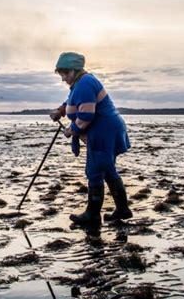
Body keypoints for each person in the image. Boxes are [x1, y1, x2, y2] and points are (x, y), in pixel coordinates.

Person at [49, 52, 133, 226]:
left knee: (94, 171)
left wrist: (70, 130)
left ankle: (92, 215)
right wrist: (60, 110)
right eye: (61, 74)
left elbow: (86, 116)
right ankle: (123, 210)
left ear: (73, 70)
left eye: (64, 74)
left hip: (104, 131)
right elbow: (71, 101)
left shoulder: (85, 83)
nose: (63, 78)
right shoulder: (81, 82)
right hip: (108, 129)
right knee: (107, 169)